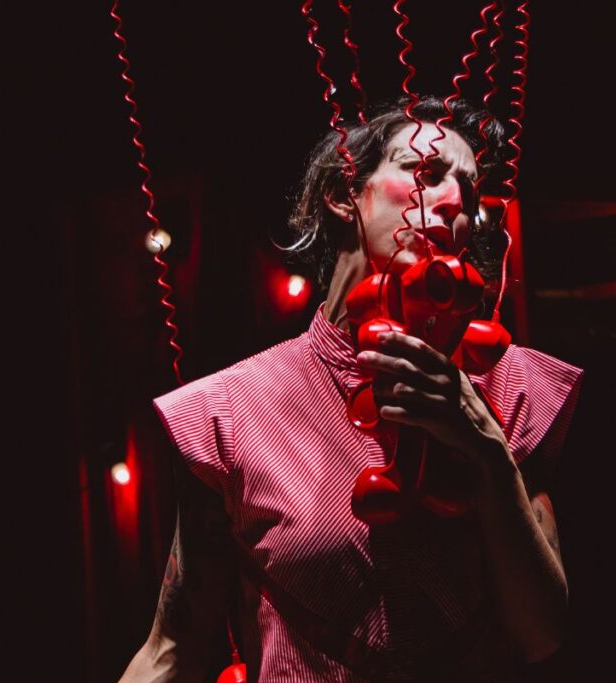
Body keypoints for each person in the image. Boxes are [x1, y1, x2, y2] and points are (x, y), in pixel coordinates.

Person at [120, 96, 582, 682]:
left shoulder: (509, 385)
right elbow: (173, 648)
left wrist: (487, 451)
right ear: (343, 195)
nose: (454, 201)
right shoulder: (231, 412)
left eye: (468, 189)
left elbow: (541, 634)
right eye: (425, 173)